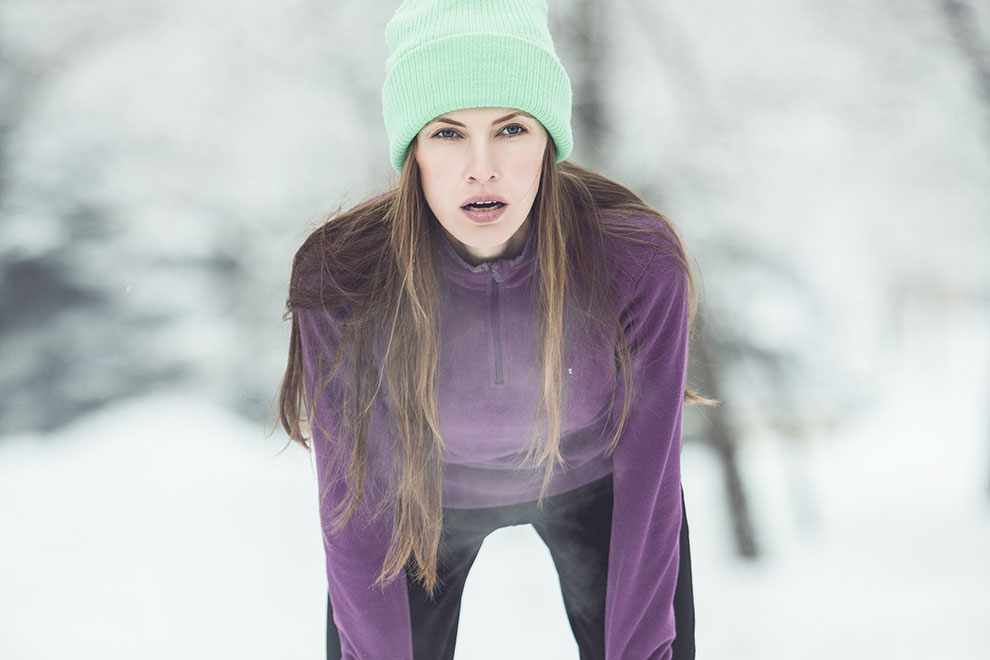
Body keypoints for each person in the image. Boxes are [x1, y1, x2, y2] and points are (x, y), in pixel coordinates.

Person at [276, 0, 711, 658]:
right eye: (447, 133)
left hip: (600, 487)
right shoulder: (343, 278)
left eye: (511, 130)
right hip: (419, 500)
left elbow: (649, 481)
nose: (483, 167)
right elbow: (355, 501)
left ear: (549, 142)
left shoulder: (636, 262)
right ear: (412, 152)